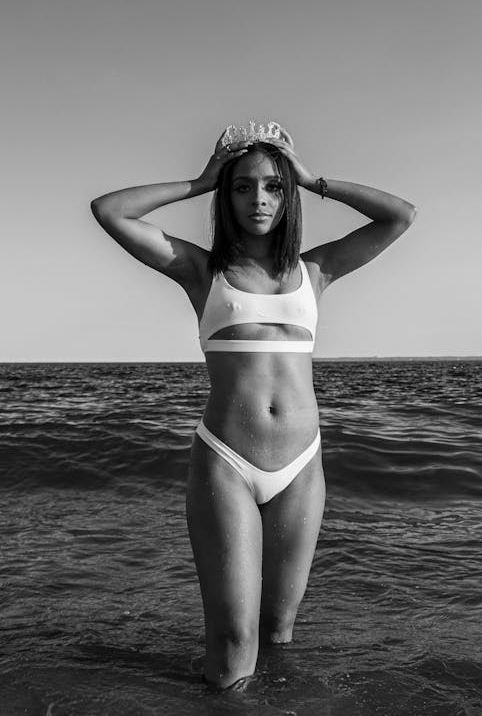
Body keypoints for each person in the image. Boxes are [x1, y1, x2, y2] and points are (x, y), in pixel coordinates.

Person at [90, 121, 416, 690]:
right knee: (233, 643)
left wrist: (312, 179)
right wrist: (199, 181)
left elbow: (400, 216)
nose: (259, 199)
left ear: (287, 195)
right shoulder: (201, 270)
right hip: (227, 462)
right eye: (242, 187)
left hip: (301, 468)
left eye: (272, 186)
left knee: (278, 633)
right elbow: (110, 210)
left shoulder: (315, 271)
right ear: (227, 196)